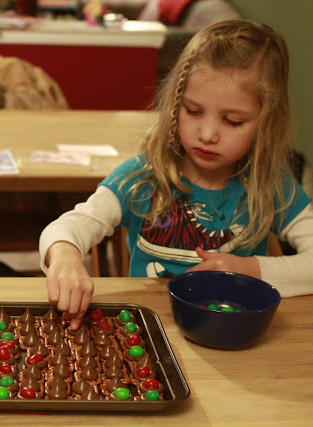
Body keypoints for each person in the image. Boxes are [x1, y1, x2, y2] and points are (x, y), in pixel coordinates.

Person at [40, 19, 313, 329]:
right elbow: (68, 226)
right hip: (149, 333)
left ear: (267, 123)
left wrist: (254, 270)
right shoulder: (144, 177)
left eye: (233, 121)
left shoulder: (271, 185)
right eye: (193, 111)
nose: (207, 134)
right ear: (174, 106)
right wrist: (64, 254)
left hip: (231, 336)